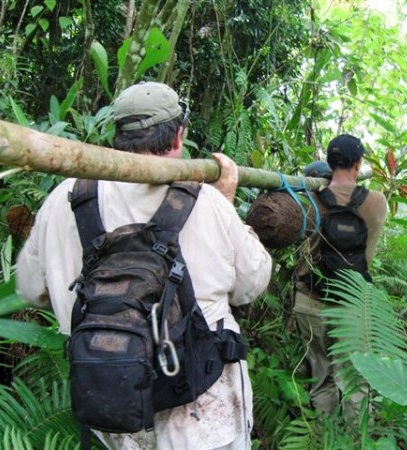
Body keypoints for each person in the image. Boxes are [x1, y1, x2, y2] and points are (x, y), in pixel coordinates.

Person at [15, 81, 272, 450]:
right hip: (201, 416)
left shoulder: (66, 197)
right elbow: (252, 284)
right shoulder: (208, 201)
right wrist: (227, 202)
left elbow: (29, 287)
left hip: (116, 408)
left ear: (118, 133)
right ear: (179, 135)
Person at [293, 134, 388, 417]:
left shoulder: (309, 200)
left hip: (310, 299)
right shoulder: (377, 202)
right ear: (358, 164)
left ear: (329, 163)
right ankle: (356, 436)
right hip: (352, 304)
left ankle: (325, 433)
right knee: (355, 381)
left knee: (320, 377)